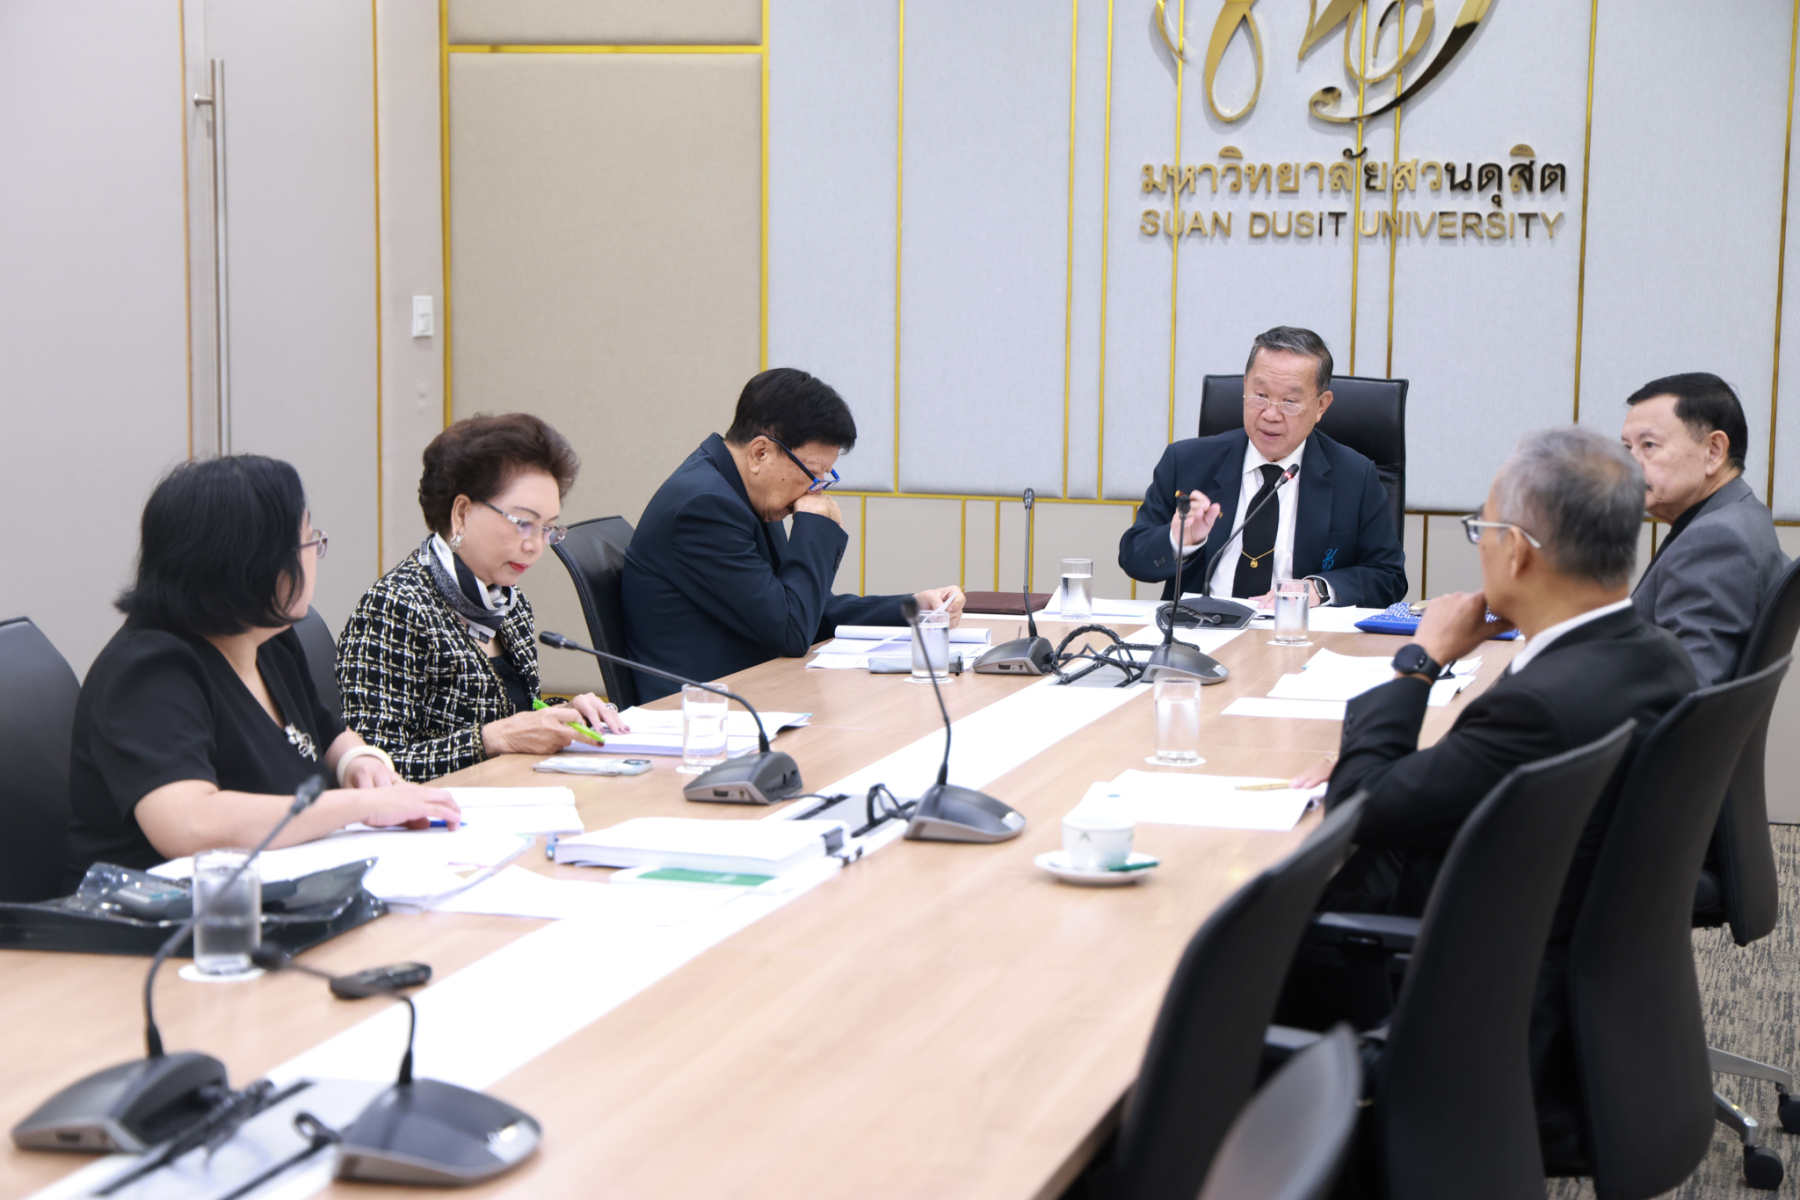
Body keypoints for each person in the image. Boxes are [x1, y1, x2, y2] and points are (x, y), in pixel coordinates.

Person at [1287, 427, 1696, 1166]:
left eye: (1483, 528)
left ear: (1519, 552)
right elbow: (1473, 775)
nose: (1479, 546)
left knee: (1217, 955)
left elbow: (1364, 805)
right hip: (1554, 973)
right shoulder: (1652, 655)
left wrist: (1420, 660)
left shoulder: (1542, 704)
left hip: (1468, 995)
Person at [63, 456, 462, 888]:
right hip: (161, 914)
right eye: (307, 541)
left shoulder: (268, 638)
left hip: (276, 891)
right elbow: (190, 824)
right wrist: (362, 806)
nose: (315, 554)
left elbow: (325, 731)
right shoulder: (150, 672)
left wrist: (357, 761)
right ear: (252, 562)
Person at [622, 368, 965, 701]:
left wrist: (914, 608)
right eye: (813, 473)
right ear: (760, 453)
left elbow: (805, 609)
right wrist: (815, 527)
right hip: (698, 712)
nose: (816, 489)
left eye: (825, 477)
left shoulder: (742, 490)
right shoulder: (705, 508)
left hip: (751, 691)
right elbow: (792, 629)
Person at [336, 414, 628, 782]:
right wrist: (491, 739)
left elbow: (510, 714)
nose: (535, 545)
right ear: (461, 513)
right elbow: (375, 768)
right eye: (523, 523)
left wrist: (567, 712)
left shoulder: (508, 603)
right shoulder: (395, 608)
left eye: (548, 528)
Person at [1117, 326, 1407, 608]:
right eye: (1260, 396)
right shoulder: (1186, 461)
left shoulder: (1355, 476)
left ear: (1321, 406)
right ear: (1245, 387)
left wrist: (1318, 589)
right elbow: (1133, 556)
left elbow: (1388, 576)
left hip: (1295, 630)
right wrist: (1179, 540)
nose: (1270, 414)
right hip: (1200, 630)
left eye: (1290, 401)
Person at [1622, 372, 1788, 685]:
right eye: (1627, 448)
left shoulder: (1715, 541)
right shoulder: (1743, 515)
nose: (1628, 464)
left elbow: (1687, 690)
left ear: (1713, 451)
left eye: (1648, 445)